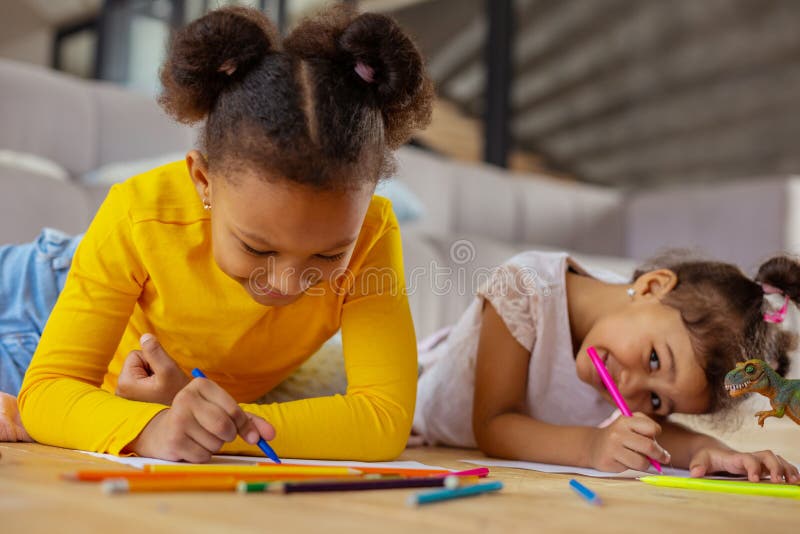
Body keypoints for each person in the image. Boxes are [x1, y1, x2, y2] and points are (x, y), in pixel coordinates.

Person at [4, 5, 434, 463]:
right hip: (36, 295)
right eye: (257, 246)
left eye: (328, 256)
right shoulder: (138, 212)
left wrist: (195, 423)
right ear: (203, 182)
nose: (289, 284)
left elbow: (383, 421)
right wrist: (152, 427)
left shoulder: (371, 234)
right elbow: (49, 390)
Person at [413, 250, 800, 483]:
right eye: (654, 359)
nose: (630, 389)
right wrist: (592, 446)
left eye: (656, 399)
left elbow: (655, 433)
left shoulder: (623, 336)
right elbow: (493, 425)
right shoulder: (525, 287)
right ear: (652, 286)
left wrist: (713, 450)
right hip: (413, 389)